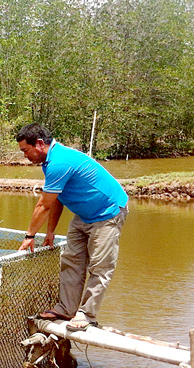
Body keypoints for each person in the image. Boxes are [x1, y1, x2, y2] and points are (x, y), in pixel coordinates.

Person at [16, 123, 128, 331]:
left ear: (39, 144)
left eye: (26, 150)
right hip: (83, 214)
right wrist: (50, 231)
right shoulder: (49, 162)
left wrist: (30, 235)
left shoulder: (60, 161)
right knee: (71, 260)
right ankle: (66, 308)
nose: (25, 156)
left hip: (108, 212)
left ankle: (86, 314)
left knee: (99, 267)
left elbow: (43, 204)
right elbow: (56, 198)